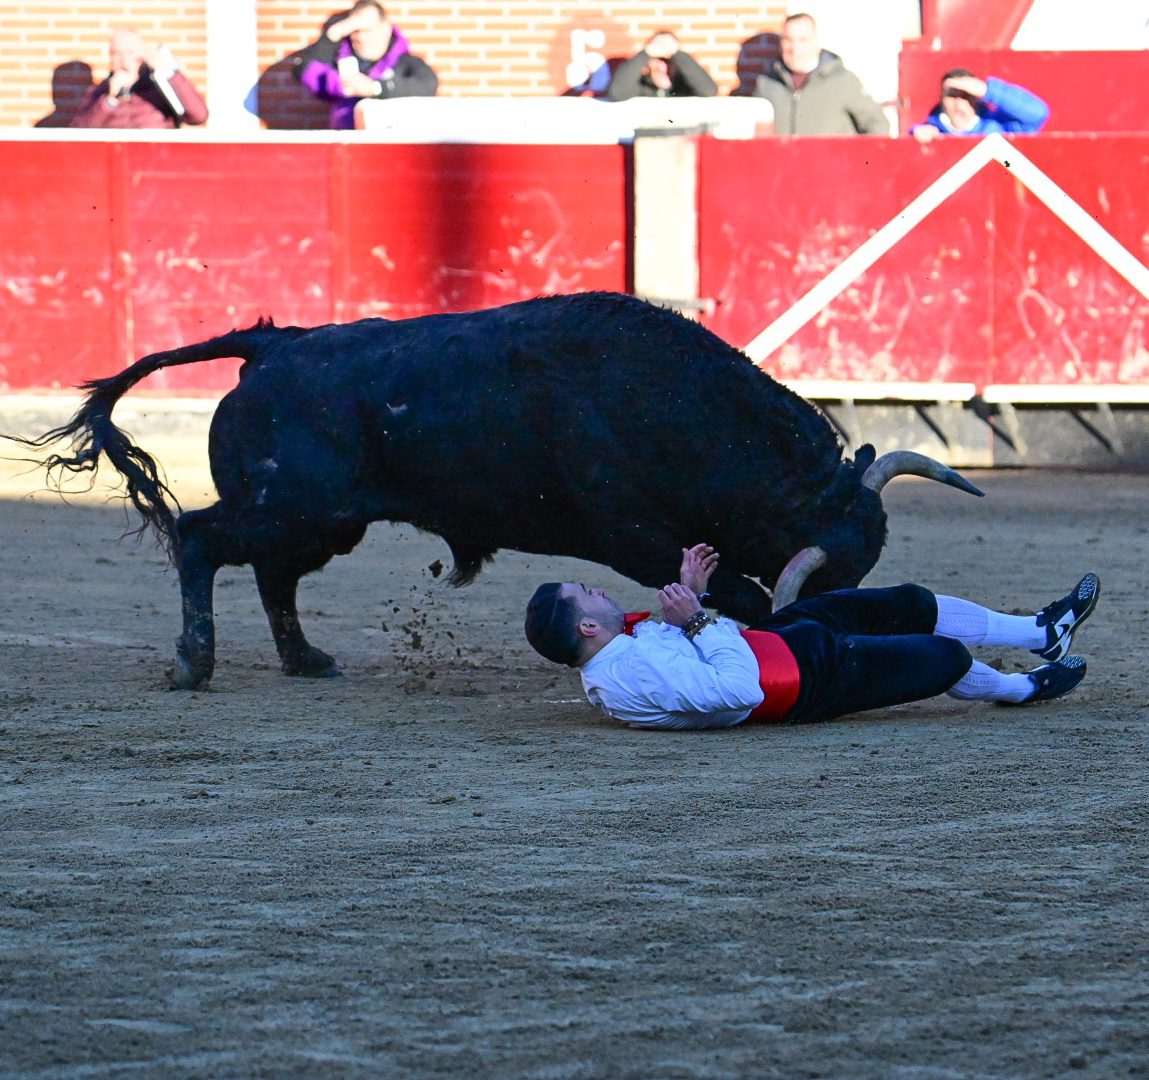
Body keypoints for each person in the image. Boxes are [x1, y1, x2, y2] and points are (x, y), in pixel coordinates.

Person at [525, 544, 1100, 731]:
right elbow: (736, 692)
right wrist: (696, 620)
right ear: (586, 626)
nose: (600, 591)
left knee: (906, 603)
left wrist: (692, 594)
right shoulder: (627, 673)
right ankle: (1020, 689)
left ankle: (1042, 631)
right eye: (588, 592)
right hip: (804, 680)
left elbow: (682, 648)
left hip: (777, 641)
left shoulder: (619, 652)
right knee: (943, 656)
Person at [293, 0, 438, 130]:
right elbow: (303, 69)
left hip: (390, 146)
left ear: (386, 28)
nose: (361, 37)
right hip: (346, 147)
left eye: (367, 29)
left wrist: (376, 88)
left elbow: (428, 84)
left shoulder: (404, 61)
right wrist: (333, 34)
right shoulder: (341, 59)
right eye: (355, 30)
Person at [750, 12, 887, 135]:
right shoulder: (766, 85)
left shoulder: (843, 81)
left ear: (816, 42)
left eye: (803, 40)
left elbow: (878, 126)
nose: (795, 48)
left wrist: (856, 161)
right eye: (788, 40)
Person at [70, 27, 207, 129]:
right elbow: (78, 135)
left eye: (130, 53)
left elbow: (199, 116)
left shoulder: (159, 88)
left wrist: (169, 73)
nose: (123, 60)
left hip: (154, 162)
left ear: (142, 55)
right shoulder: (100, 93)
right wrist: (110, 101)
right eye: (116, 53)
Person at [911, 69, 1049, 143]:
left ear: (976, 99)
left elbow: (1037, 114)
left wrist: (988, 90)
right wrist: (915, 137)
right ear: (942, 99)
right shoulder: (930, 131)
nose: (958, 101)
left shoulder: (997, 127)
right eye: (952, 95)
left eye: (965, 95)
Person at [606, 29, 717, 101]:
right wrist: (645, 54)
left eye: (669, 61)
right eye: (658, 59)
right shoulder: (640, 87)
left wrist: (677, 54)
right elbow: (617, 92)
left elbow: (709, 90)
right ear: (648, 62)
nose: (663, 67)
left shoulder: (686, 86)